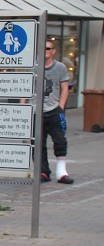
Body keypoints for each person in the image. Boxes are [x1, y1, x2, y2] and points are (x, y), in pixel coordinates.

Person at [40, 40, 73, 184]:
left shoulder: (60, 67)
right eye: (43, 48)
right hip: (37, 110)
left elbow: (64, 87)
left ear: (53, 51)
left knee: (60, 140)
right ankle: (43, 171)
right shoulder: (35, 66)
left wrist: (61, 106)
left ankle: (61, 172)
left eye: (48, 48)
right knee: (39, 143)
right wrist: (24, 108)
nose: (45, 50)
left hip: (54, 110)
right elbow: (26, 87)